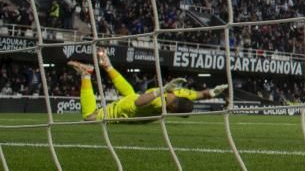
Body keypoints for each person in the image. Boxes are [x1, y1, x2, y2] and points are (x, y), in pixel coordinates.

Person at [69, 49, 224, 121]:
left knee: (130, 92)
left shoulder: (181, 94)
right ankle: (86, 75)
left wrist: (212, 93)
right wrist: (211, 92)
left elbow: (200, 94)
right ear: (173, 109)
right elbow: (139, 102)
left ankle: (108, 66)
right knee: (89, 117)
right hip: (129, 110)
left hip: (134, 100)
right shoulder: (160, 105)